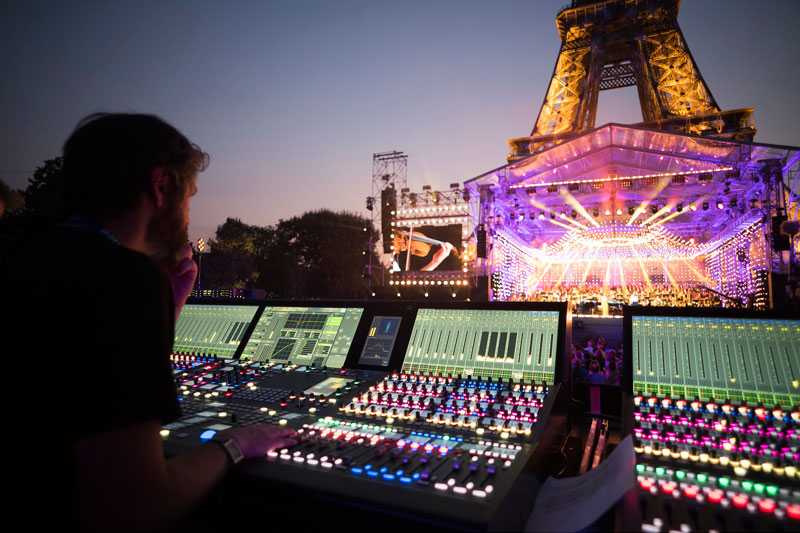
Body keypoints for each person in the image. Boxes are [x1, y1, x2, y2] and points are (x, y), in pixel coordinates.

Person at [3, 113, 297, 532]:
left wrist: (167, 306)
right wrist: (235, 443)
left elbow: (91, 374)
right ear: (161, 187)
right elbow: (137, 504)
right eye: (190, 196)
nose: (189, 212)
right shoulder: (120, 277)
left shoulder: (24, 251)